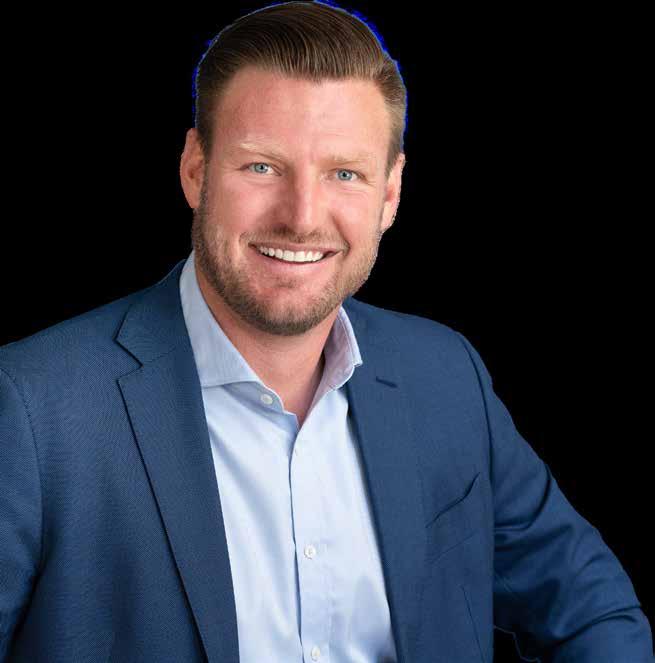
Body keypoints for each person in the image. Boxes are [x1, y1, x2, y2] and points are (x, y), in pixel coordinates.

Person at [0, 2, 652, 662]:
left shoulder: (445, 374)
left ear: (390, 193)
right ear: (195, 169)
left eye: (344, 173)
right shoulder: (32, 408)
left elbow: (590, 606)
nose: (302, 217)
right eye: (262, 166)